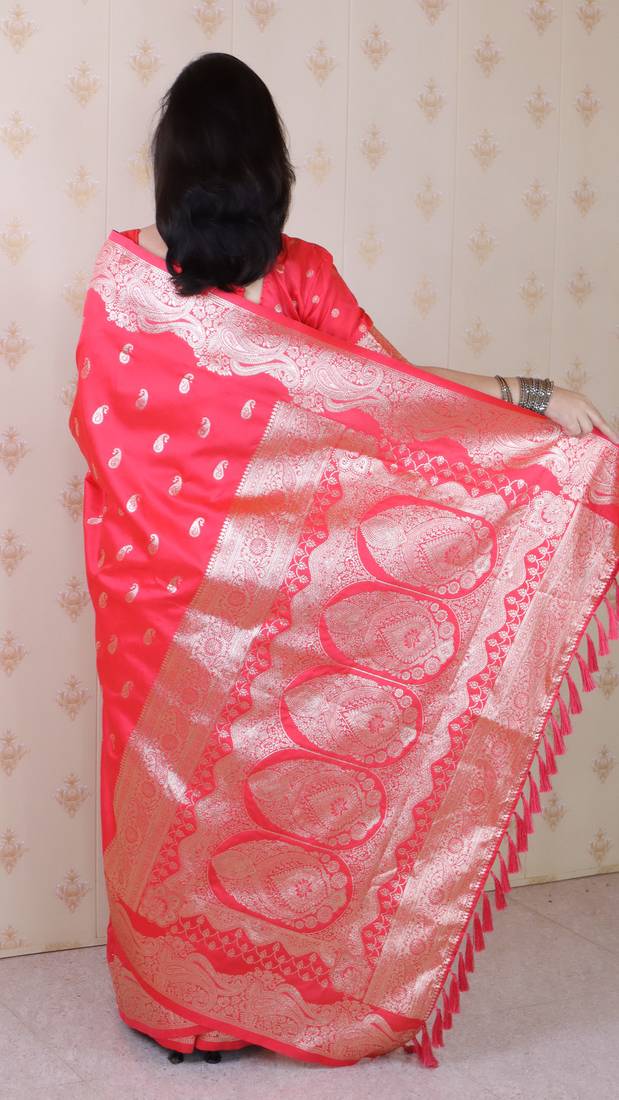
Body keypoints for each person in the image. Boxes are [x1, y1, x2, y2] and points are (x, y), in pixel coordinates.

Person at [70, 51, 619, 1068]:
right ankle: (240, 996)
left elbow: (109, 440)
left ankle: (172, 1010)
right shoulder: (295, 271)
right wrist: (536, 396)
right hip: (249, 600)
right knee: (250, 787)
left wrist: (533, 403)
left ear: (171, 166)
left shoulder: (123, 278)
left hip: (148, 595)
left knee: (166, 791)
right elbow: (400, 392)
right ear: (268, 166)